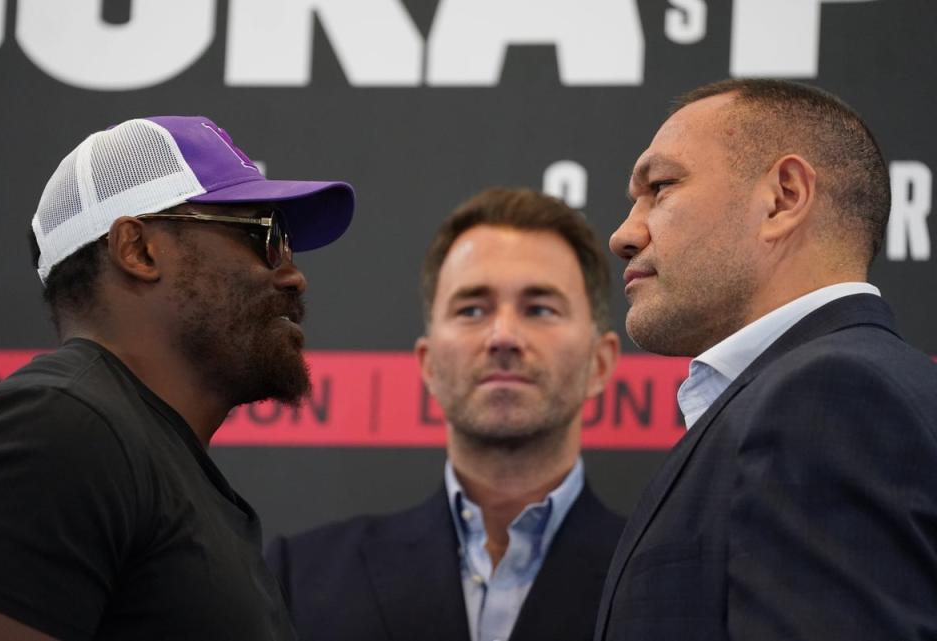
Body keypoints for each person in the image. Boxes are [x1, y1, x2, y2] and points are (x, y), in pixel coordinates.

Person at [0, 115, 355, 640]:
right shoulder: (57, 428)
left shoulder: (144, 455)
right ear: (139, 250)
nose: (293, 273)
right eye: (264, 237)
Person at [594, 79, 937, 640]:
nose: (624, 235)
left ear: (783, 197)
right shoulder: (845, 388)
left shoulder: (830, 397)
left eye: (660, 187)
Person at [266, 187, 625, 641]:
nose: (503, 335)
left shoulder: (667, 575)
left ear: (600, 363)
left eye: (540, 308)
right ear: (428, 362)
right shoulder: (299, 579)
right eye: (472, 309)